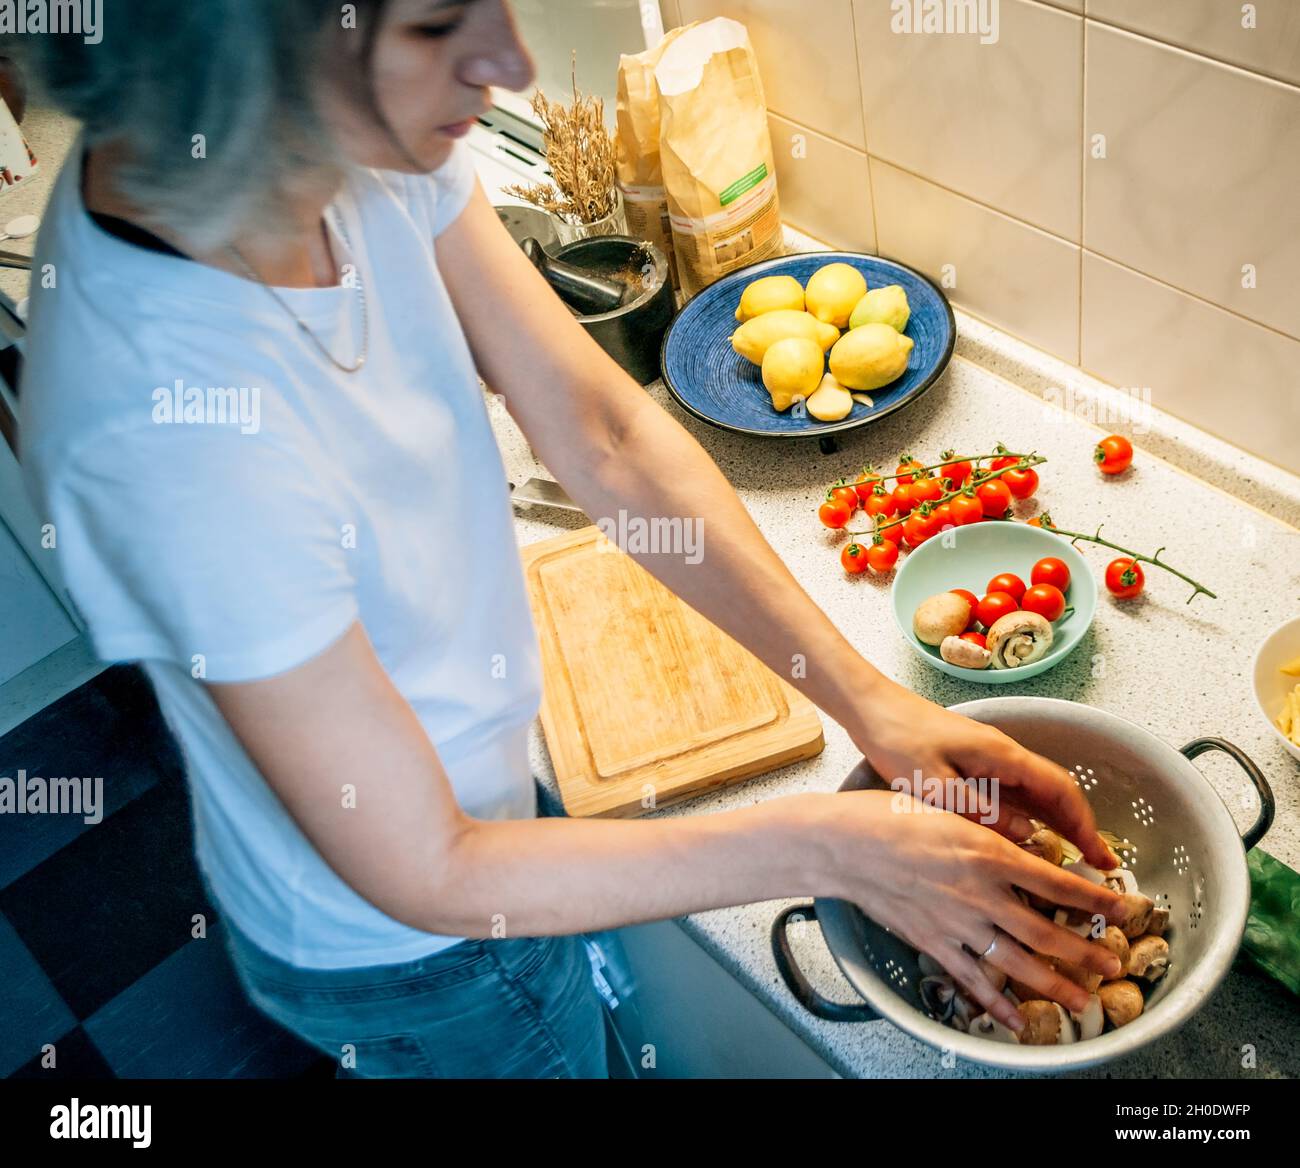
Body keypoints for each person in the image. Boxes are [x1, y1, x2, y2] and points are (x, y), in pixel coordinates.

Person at [11, 0, 1123, 1078]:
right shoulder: (160, 428)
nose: (506, 61)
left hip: (474, 793)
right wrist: (834, 847)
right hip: (410, 947)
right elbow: (428, 865)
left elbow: (607, 433)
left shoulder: (354, 134)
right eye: (440, 20)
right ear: (243, 52)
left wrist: (868, 704)